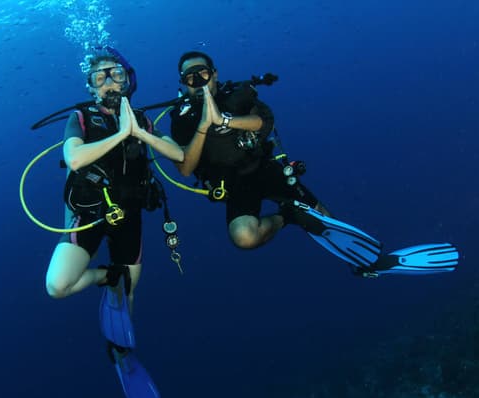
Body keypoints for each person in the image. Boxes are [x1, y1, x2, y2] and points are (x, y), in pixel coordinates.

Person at [169, 51, 459, 275]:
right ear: (183, 83)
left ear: (215, 74)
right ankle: (289, 217)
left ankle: (362, 262)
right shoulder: (181, 119)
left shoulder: (239, 96)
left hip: (263, 168)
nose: (197, 81)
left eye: (202, 73)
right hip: (232, 184)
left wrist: (226, 120)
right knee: (244, 238)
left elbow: (264, 122)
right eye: (189, 78)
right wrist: (204, 125)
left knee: (322, 217)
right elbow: (186, 167)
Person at [45, 48, 184, 398]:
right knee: (57, 286)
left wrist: (139, 132)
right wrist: (122, 134)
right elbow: (74, 158)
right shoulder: (81, 117)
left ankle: (121, 349)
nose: (109, 82)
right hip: (88, 216)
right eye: (101, 77)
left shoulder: (142, 119)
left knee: (129, 291)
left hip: (129, 216)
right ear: (90, 87)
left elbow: (179, 155)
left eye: (116, 74)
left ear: (129, 79)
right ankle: (104, 275)